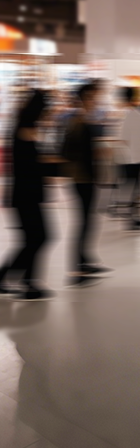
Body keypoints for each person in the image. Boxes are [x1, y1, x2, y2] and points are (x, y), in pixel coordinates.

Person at [0, 91, 55, 300]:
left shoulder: (24, 128)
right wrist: (49, 163)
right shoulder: (25, 130)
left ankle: (27, 281)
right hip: (25, 194)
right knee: (38, 237)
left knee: (35, 238)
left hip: (26, 193)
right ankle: (27, 282)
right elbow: (30, 165)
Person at [62, 81, 111, 284]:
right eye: (92, 97)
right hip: (82, 177)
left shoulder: (83, 120)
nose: (96, 101)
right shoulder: (77, 121)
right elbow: (67, 151)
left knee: (89, 221)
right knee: (83, 222)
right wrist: (94, 153)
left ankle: (84, 260)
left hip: (87, 176)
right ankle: (76, 269)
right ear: (83, 99)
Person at [116, 87, 140, 231]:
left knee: (132, 186)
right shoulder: (136, 114)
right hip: (133, 156)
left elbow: (123, 138)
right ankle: (132, 217)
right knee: (134, 186)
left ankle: (134, 216)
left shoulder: (123, 114)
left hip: (126, 156)